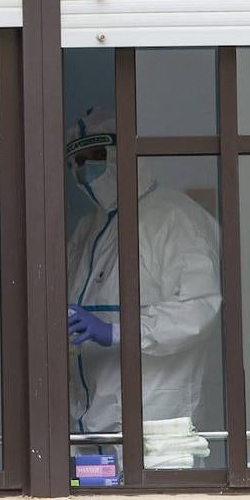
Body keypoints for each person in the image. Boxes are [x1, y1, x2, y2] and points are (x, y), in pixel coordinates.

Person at [65, 107, 222, 437]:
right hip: (89, 416)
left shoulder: (175, 218)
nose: (83, 170)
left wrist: (116, 331)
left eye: (95, 155)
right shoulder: (89, 229)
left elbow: (197, 309)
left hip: (156, 419)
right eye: (75, 162)